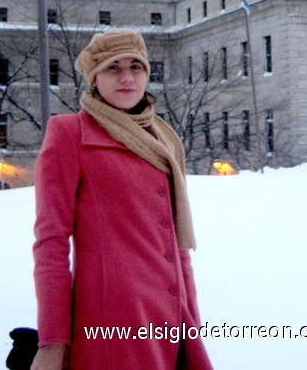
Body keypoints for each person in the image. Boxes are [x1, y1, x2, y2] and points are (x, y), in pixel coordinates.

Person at [31, 30, 214, 370]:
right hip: (112, 324)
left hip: (170, 318)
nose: (127, 77)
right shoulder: (70, 134)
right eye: (113, 67)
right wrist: (53, 341)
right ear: (95, 78)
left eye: (136, 67)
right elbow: (50, 243)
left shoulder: (163, 139)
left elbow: (177, 246)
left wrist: (191, 321)